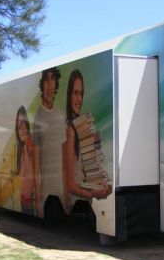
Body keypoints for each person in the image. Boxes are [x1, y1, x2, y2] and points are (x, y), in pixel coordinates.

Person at [64, 69, 111, 202]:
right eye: (75, 93)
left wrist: (103, 187)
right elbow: (70, 184)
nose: (79, 99)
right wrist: (93, 194)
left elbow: (88, 174)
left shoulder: (82, 127)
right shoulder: (70, 130)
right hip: (76, 205)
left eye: (81, 94)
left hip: (85, 203)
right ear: (69, 95)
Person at [33, 67, 66, 217]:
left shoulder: (61, 114)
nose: (49, 85)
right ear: (42, 85)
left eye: (52, 79)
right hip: (46, 190)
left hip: (63, 189)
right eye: (46, 79)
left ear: (55, 85)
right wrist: (38, 199)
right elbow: (35, 161)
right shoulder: (38, 117)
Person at [15, 105, 35, 215]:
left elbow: (32, 173)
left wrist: (26, 147)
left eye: (23, 124)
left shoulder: (29, 144)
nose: (21, 129)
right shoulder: (23, 147)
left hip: (29, 201)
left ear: (27, 124)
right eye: (18, 127)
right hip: (23, 198)